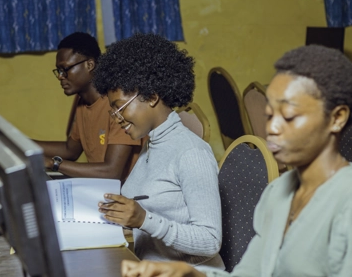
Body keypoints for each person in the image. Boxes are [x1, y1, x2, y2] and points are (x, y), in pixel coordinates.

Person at [120, 44, 352, 277]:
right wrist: (191, 273)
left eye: (289, 116)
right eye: (269, 115)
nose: (272, 128)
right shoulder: (278, 192)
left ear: (337, 118)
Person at [94, 33, 224, 270]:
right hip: (150, 268)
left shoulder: (191, 153)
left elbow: (210, 241)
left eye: (120, 108)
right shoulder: (151, 144)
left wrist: (144, 219)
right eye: (113, 112)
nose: (117, 119)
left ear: (152, 96)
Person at [34, 32, 142, 181]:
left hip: (128, 197)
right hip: (102, 190)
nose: (60, 76)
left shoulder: (120, 104)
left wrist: (53, 163)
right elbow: (70, 150)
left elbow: (111, 172)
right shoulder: (82, 103)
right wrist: (17, 143)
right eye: (58, 71)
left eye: (65, 69)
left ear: (90, 65)